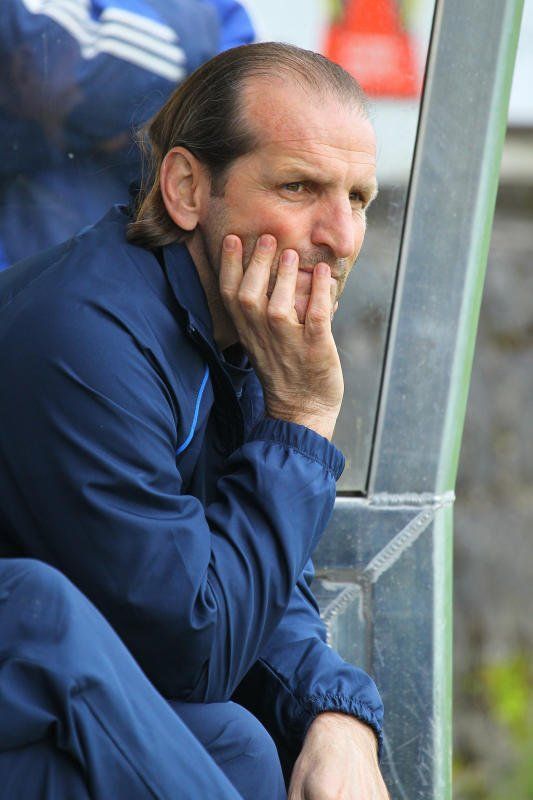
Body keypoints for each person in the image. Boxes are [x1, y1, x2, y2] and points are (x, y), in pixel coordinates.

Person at [0, 42, 389, 799]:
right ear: (186, 188)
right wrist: (303, 416)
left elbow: (259, 579)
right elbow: (194, 650)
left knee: (240, 745)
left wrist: (335, 711)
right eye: (299, 186)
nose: (340, 237)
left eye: (358, 199)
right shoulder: (86, 339)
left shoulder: (231, 326)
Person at [0, 0, 254, 268]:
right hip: (35, 252)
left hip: (127, 258)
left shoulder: (217, 19)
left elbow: (220, 120)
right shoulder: (202, 24)